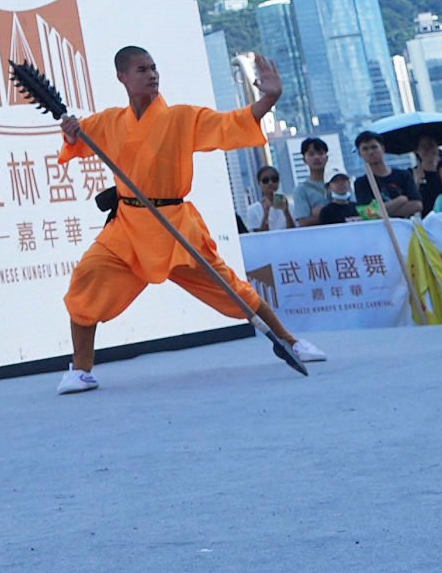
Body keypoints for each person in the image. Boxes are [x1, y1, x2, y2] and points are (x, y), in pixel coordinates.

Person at [56, 48, 323, 393]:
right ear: (123, 77)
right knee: (86, 280)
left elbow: (230, 124)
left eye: (154, 68)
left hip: (173, 225)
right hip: (128, 226)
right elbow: (76, 139)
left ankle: (290, 340)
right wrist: (71, 131)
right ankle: (81, 370)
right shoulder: (109, 122)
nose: (152, 74)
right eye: (142, 69)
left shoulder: (181, 118)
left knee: (232, 288)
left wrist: (269, 98)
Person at [353, 131, 422, 219]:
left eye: (374, 147)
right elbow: (368, 214)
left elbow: (417, 205)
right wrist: (400, 200)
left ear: (382, 148)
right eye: (365, 149)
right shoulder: (361, 183)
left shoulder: (404, 175)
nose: (370, 152)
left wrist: (380, 212)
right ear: (360, 153)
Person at [287, 137, 333, 222]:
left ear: (326, 158)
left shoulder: (338, 183)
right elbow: (303, 222)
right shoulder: (301, 190)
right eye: (311, 154)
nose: (316, 157)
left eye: (320, 153)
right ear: (304, 160)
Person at [243, 166, 293, 232]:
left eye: (274, 179)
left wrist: (286, 212)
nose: (270, 183)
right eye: (265, 181)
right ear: (259, 183)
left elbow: (294, 231)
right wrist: (266, 214)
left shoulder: (291, 206)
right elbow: (258, 237)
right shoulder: (253, 210)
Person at [410, 134, 442, 216]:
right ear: (416, 151)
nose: (428, 149)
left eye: (431, 145)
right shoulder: (411, 174)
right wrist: (416, 184)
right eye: (423, 146)